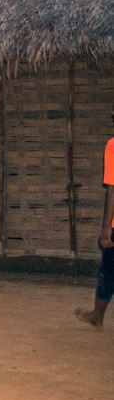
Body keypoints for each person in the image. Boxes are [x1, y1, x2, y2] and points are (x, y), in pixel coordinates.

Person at [75, 111, 114, 327]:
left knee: (108, 270)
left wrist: (106, 226)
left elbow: (112, 189)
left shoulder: (113, 146)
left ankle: (96, 318)